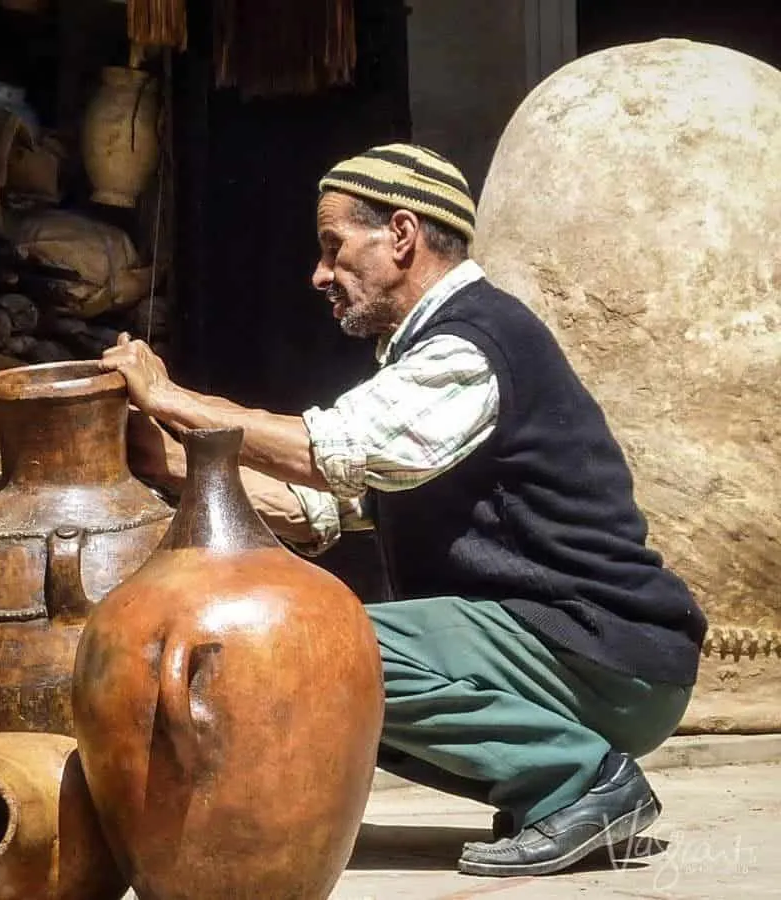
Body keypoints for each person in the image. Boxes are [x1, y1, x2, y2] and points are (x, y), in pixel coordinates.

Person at [98, 143, 708, 878]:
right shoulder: (424, 358)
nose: (320, 274)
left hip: (606, 652)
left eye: (333, 247)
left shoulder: (472, 347)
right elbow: (312, 508)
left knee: (308, 648)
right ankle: (561, 778)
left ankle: (577, 780)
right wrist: (165, 463)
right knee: (319, 681)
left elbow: (329, 451)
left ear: (400, 234)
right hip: (576, 654)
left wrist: (170, 400)